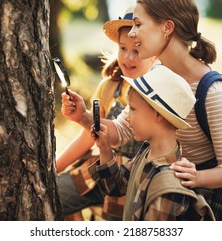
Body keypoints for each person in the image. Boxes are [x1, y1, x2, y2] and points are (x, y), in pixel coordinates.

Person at [61, 0, 222, 220]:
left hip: (217, 204)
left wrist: (196, 176)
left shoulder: (212, 91)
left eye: (138, 24)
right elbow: (124, 129)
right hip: (172, 190)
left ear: (167, 28)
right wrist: (84, 117)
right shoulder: (156, 75)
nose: (132, 34)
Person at [56, 8, 157, 220]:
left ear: (154, 52)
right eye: (122, 48)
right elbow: (87, 136)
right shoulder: (109, 87)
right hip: (95, 171)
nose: (128, 58)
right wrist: (55, 168)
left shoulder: (158, 91)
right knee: (52, 196)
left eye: (137, 50)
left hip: (134, 183)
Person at [88, 64, 215, 221]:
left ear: (157, 114)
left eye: (133, 109)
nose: (127, 118)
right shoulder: (148, 152)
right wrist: (105, 148)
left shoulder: (169, 187)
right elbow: (116, 187)